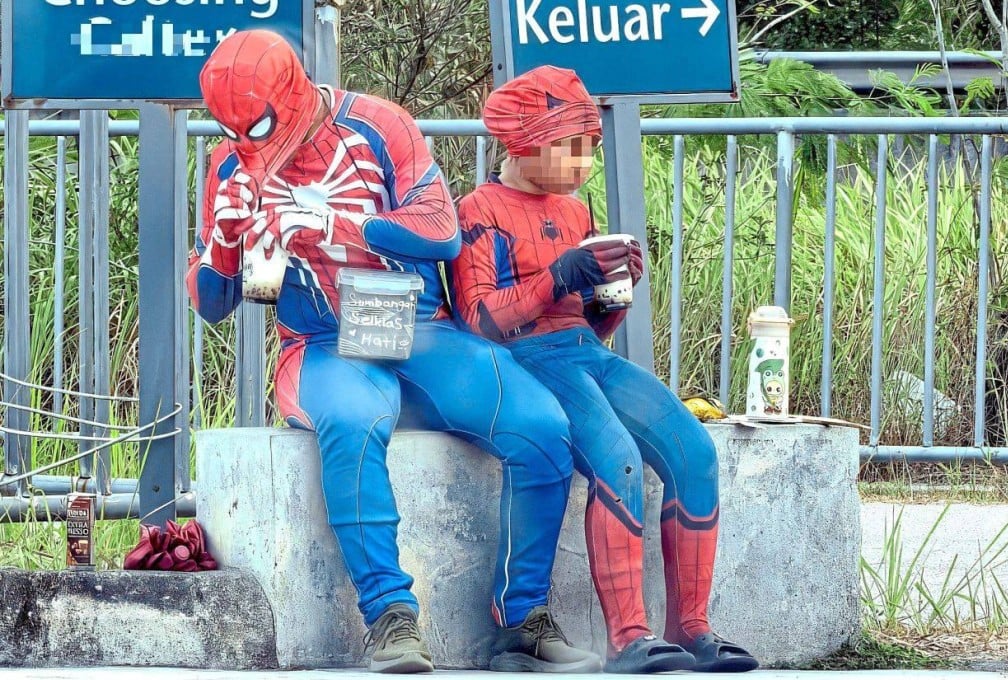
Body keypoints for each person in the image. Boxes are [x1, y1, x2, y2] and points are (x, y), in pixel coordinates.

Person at [189, 31, 601, 674]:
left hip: (418, 325)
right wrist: (223, 240)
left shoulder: (377, 123)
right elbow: (213, 302)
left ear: (293, 92)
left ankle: (521, 618)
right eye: (233, 130)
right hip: (322, 340)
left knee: (542, 423)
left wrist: (333, 223)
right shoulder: (228, 164)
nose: (251, 145)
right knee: (353, 423)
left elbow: (440, 232)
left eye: (260, 125)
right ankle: (390, 618)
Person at [450, 65, 759, 674]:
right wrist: (557, 278)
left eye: (589, 149)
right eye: (571, 149)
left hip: (585, 354)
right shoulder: (478, 209)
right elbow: (480, 318)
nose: (584, 164)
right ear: (524, 141)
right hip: (526, 359)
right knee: (614, 455)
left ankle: (692, 627)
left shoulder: (575, 211)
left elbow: (590, 328)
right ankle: (629, 636)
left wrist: (611, 294)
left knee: (693, 450)